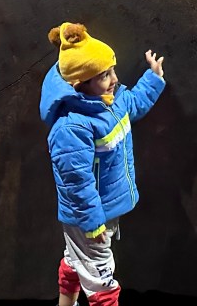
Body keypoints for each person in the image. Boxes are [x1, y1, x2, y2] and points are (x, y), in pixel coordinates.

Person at [39, 22, 166, 306]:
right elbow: (76, 182)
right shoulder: (71, 128)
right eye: (104, 75)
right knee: (102, 281)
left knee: (76, 262)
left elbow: (134, 103)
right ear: (79, 84)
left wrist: (153, 78)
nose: (114, 79)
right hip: (89, 218)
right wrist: (93, 222)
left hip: (103, 210)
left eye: (112, 70)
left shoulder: (110, 100)